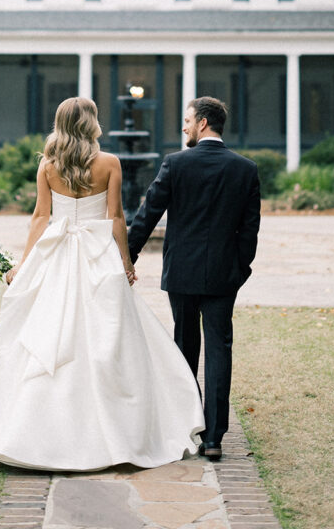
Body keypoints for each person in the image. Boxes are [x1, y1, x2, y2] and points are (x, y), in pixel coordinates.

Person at [0, 97, 204, 471]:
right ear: (91, 123)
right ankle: (114, 430)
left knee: (50, 332)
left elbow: (40, 218)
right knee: (105, 336)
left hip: (55, 255)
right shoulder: (109, 163)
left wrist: (25, 264)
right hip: (96, 254)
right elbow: (116, 216)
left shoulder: (48, 166)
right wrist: (124, 261)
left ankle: (34, 434)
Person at [127, 96, 261, 462]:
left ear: (202, 123)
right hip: (223, 276)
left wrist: (127, 256)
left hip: (182, 274)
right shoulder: (245, 169)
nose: (183, 127)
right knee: (219, 351)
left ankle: (189, 427)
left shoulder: (176, 164)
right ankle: (214, 437)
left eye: (186, 121)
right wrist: (239, 271)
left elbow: (147, 215)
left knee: (185, 348)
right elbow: (250, 232)